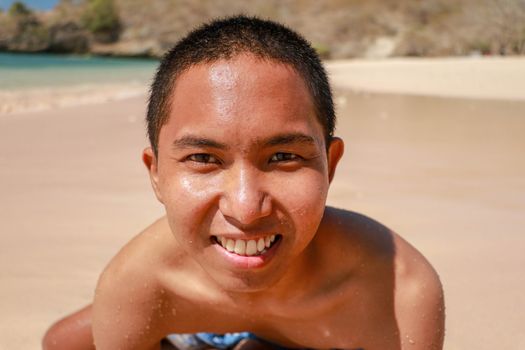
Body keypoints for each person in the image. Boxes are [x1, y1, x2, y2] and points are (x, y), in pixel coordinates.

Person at [42, 15, 444, 350]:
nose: (246, 207)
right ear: (157, 173)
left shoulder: (397, 290)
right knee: (61, 341)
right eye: (203, 158)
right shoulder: (139, 281)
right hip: (190, 324)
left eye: (284, 157)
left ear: (330, 165)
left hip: (320, 338)